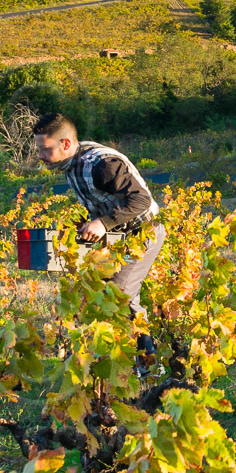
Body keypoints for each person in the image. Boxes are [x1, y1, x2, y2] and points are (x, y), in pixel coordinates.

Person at [31, 113, 165, 329]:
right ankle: (123, 357)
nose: (40, 155)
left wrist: (103, 223)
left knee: (120, 298)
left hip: (142, 233)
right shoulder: (69, 164)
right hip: (117, 236)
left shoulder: (102, 165)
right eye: (39, 149)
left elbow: (141, 200)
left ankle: (144, 361)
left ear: (65, 143)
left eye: (45, 149)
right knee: (101, 295)